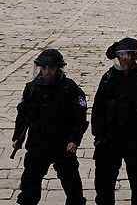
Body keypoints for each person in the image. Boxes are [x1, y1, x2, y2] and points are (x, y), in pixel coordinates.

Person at [12, 49, 89, 205]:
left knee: (71, 182)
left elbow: (79, 117)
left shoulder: (70, 89)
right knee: (30, 182)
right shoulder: (31, 88)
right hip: (37, 142)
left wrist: (74, 139)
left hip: (62, 143)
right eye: (44, 68)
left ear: (58, 68)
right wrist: (17, 137)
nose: (47, 72)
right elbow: (22, 114)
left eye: (51, 68)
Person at [92, 37, 137, 205]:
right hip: (110, 138)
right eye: (121, 54)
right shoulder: (108, 78)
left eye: (128, 54)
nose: (124, 58)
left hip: (134, 140)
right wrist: (98, 135)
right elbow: (97, 109)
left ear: (134, 56)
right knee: (104, 181)